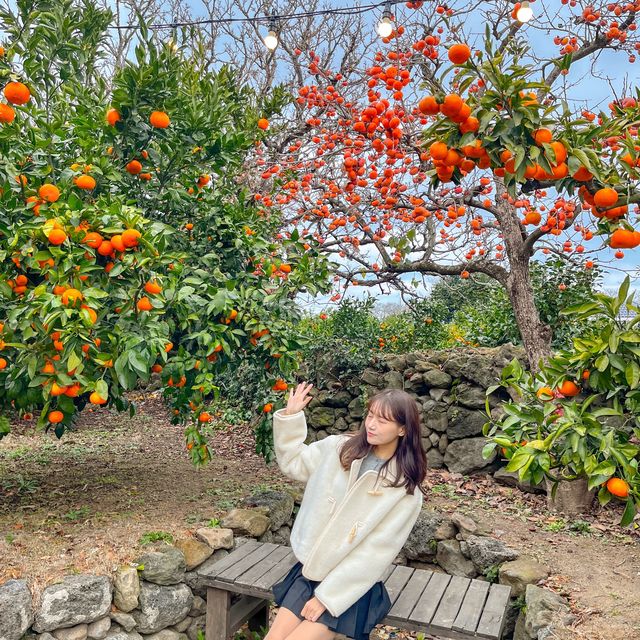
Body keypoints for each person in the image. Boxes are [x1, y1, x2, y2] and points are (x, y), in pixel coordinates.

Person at [265, 381, 428, 640]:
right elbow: (294, 462)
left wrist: (326, 599)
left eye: (383, 420)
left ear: (403, 429)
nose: (372, 425)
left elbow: (375, 552)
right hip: (311, 570)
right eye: (371, 415)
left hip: (349, 587)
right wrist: (291, 417)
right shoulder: (339, 448)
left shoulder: (404, 490)